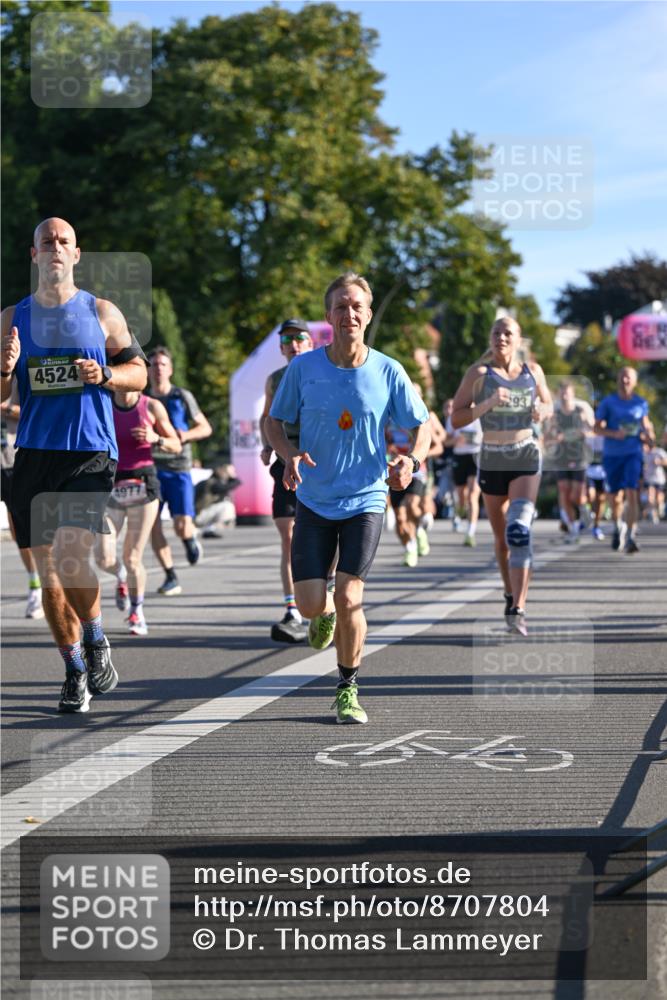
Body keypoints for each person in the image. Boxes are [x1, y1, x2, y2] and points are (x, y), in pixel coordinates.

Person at [265, 272, 430, 724]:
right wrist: (288, 455)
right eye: (340, 306)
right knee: (310, 605)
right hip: (314, 501)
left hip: (366, 498)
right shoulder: (303, 369)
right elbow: (274, 423)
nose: (349, 314)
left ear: (368, 314)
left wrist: (410, 462)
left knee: (351, 594)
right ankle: (323, 614)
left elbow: (423, 425)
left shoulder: (388, 370)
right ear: (328, 316)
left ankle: (347, 687)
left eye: (357, 306)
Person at [0, 217, 147, 711]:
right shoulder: (11, 318)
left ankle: (96, 634)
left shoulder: (102, 312)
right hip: (35, 455)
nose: (56, 248)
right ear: (34, 255)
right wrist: (4, 368)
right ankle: (74, 667)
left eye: (64, 241)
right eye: (48, 242)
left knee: (69, 554)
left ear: (76, 254)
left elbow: (139, 374)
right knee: (47, 574)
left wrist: (104, 374)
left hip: (90, 452)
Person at [451, 316, 552, 635]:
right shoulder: (479, 374)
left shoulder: (532, 371)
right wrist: (489, 403)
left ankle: (518, 607)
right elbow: (456, 417)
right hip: (492, 458)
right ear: (490, 338)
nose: (501, 338)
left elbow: (547, 404)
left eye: (508, 333)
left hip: (524, 452)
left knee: (519, 530)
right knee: (502, 538)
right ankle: (509, 593)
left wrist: (541, 411)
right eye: (496, 332)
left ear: (519, 339)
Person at [95, 387, 181, 635]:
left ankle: (137, 612)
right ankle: (120, 576)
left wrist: (157, 439)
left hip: (143, 484)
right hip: (111, 484)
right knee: (103, 557)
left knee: (133, 556)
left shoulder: (151, 406)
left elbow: (175, 444)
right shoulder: (104, 403)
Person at [260, 319, 314, 642]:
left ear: (309, 344)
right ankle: (293, 609)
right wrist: (267, 445)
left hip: (316, 465)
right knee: (289, 538)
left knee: (323, 537)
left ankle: (325, 600)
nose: (293, 344)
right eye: (287, 340)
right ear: (281, 347)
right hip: (284, 465)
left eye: (299, 339)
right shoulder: (275, 379)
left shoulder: (320, 372)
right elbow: (267, 417)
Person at [147, 346, 212, 594]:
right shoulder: (144, 399)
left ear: (170, 370)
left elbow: (205, 428)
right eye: (153, 365)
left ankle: (188, 538)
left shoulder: (180, 396)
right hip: (150, 469)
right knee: (152, 525)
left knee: (181, 524)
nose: (158, 369)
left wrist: (183, 436)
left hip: (178, 466)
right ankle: (170, 576)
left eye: (163, 365)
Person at [594, 366, 653, 554]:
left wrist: (648, 437)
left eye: (629, 378)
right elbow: (597, 428)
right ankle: (618, 525)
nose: (625, 381)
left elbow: (646, 426)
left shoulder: (640, 403)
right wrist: (613, 433)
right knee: (614, 496)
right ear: (618, 380)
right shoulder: (608, 402)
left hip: (633, 453)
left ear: (635, 381)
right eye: (622, 377)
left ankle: (631, 535)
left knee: (631, 491)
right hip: (612, 455)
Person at [1, 381, 44, 618]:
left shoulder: (16, 371)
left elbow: (34, 409)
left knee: (20, 528)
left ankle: (36, 584)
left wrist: (5, 408)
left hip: (13, 460)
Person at [545, 380, 594, 543]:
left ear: (573, 394)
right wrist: (554, 438)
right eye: (562, 392)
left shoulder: (581, 410)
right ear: (560, 394)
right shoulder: (555, 414)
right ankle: (573, 528)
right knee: (564, 492)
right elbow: (548, 436)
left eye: (568, 392)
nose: (565, 395)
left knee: (577, 496)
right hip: (561, 457)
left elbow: (591, 430)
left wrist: (582, 430)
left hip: (579, 456)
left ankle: (585, 509)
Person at [445, 405, 483, 547]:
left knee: (473, 494)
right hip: (459, 457)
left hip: (477, 456)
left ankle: (470, 533)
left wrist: (479, 439)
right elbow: (446, 441)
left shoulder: (482, 414)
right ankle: (460, 510)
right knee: (462, 496)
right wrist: (456, 441)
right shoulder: (454, 416)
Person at [586, 432, 608, 540]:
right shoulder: (587, 436)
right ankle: (589, 513)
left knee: (601, 499)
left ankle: (596, 525)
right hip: (589, 472)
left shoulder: (607, 436)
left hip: (603, 473)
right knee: (590, 496)